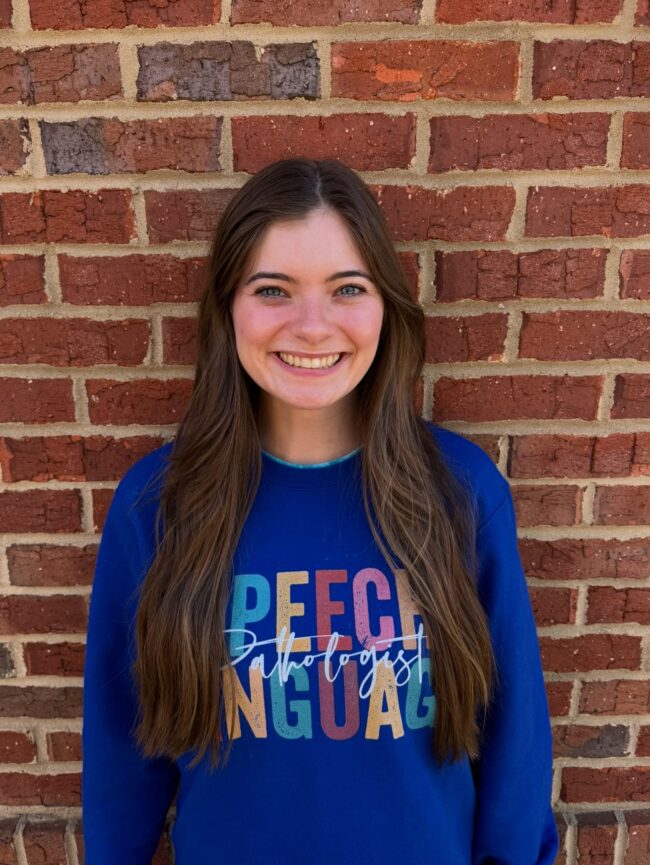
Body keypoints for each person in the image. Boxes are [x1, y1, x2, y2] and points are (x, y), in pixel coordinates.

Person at [82, 158, 559, 865]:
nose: (312, 325)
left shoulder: (461, 493)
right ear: (228, 308)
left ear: (384, 307)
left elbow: (514, 740)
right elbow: (122, 757)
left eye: (347, 289)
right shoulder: (157, 506)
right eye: (273, 289)